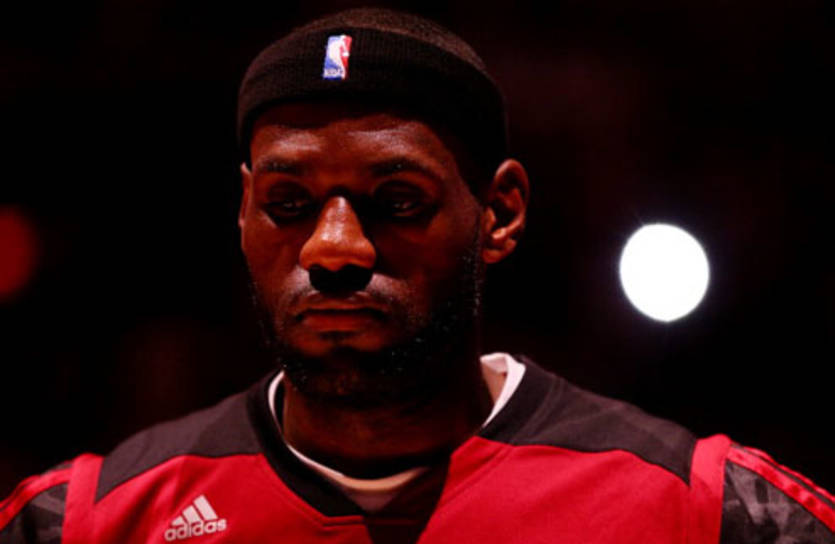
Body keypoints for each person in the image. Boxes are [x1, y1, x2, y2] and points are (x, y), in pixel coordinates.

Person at [1, 7, 833, 544]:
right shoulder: (83, 523)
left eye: (396, 202)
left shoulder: (704, 513)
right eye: (289, 204)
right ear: (243, 211)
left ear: (499, 212)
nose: (333, 248)